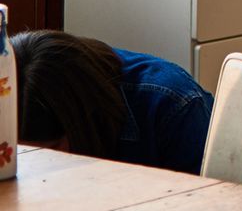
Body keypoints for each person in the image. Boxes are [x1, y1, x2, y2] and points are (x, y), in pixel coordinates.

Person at [8, 30, 213, 174]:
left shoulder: (175, 105)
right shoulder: (8, 79)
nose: (39, 170)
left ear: (84, 120)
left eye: (50, 152)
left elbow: (210, 209)